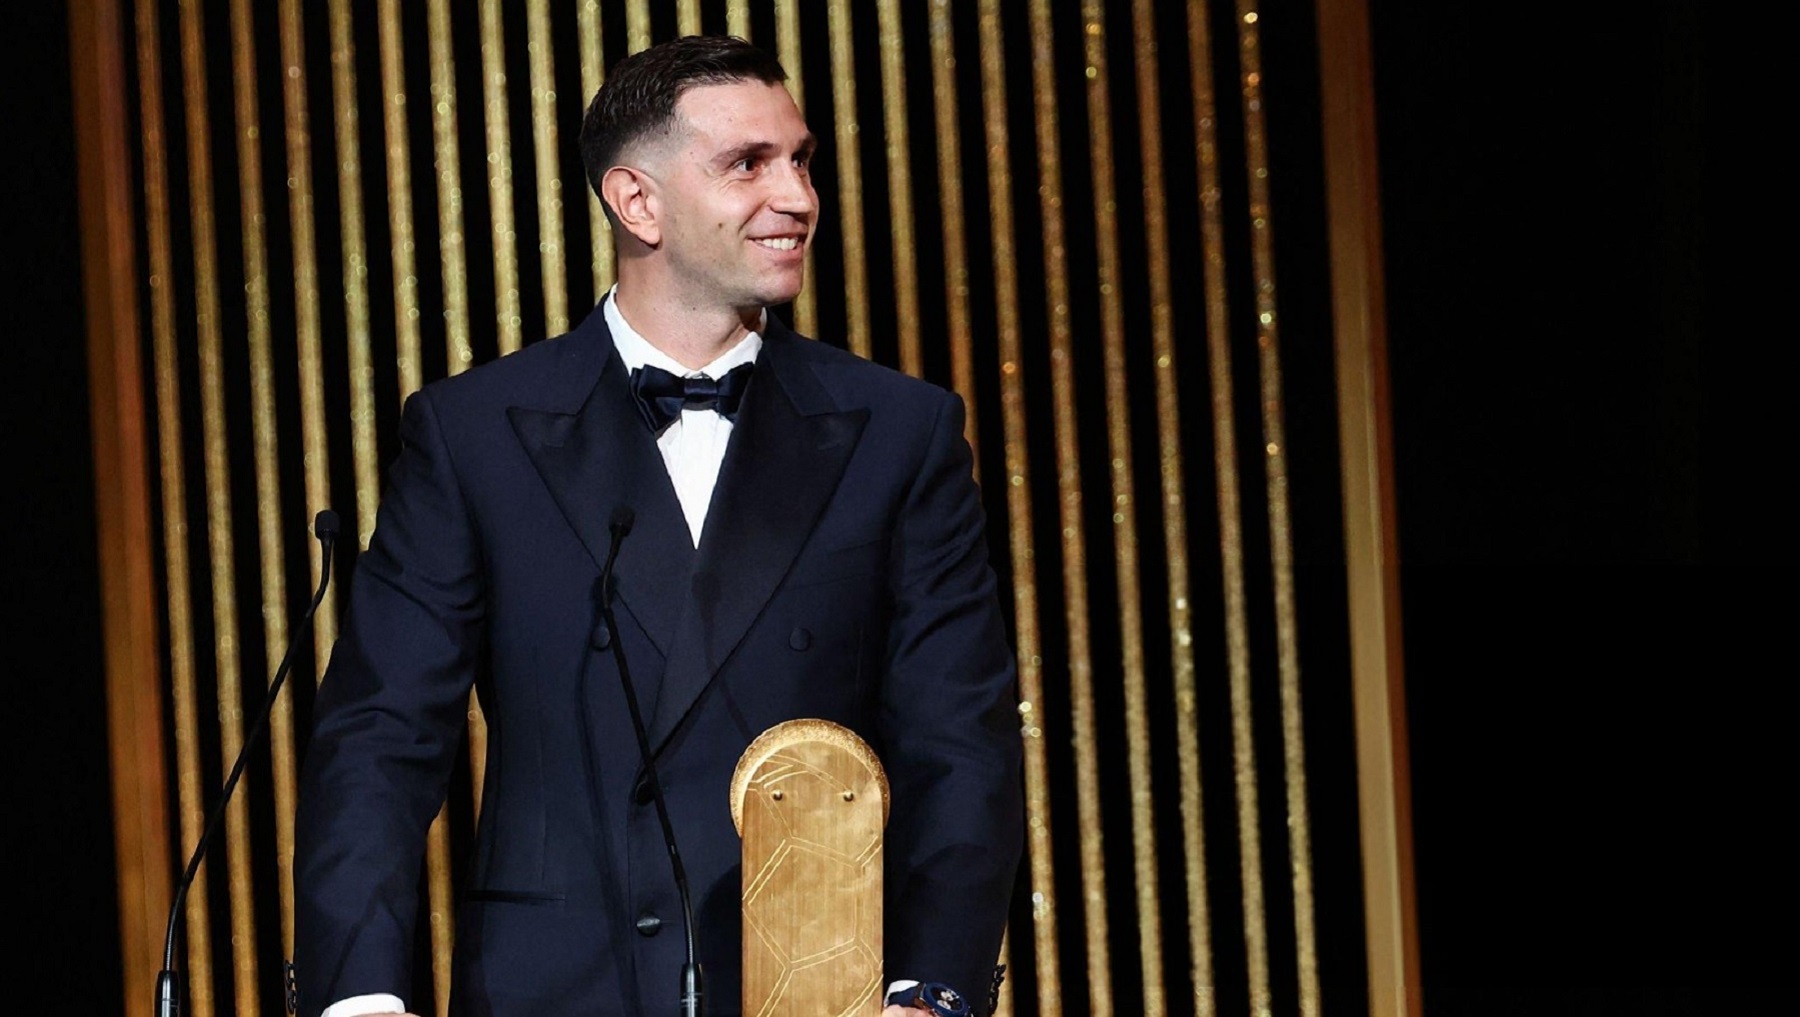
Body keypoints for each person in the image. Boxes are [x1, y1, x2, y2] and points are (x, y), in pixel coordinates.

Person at [293, 35, 1023, 1017]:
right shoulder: (475, 435)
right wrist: (359, 1000)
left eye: (800, 159)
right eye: (748, 164)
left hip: (811, 989)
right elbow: (381, 734)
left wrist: (930, 992)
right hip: (557, 992)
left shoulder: (902, 433)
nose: (799, 197)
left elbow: (960, 741)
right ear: (636, 201)